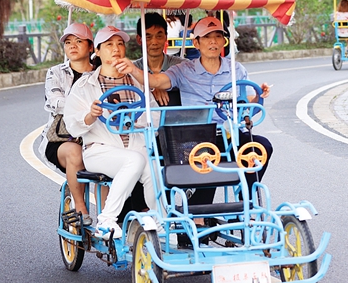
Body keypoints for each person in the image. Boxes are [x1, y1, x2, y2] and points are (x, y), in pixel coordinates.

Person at [116, 16, 274, 200]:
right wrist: (133, 69)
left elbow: (242, 102)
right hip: (197, 137)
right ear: (196, 43)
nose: (213, 41)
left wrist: (258, 96)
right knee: (207, 159)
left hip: (229, 134)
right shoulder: (184, 69)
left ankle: (246, 201)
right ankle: (198, 213)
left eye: (218, 36)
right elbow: (156, 80)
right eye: (207, 37)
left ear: (224, 41)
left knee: (262, 146)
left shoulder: (236, 69)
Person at [64, 26, 160, 239]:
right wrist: (90, 115)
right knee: (134, 161)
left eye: (120, 44)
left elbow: (154, 117)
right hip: (100, 149)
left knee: (154, 166)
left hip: (134, 145)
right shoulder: (84, 86)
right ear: (97, 51)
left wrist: (135, 118)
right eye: (109, 45)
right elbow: (72, 124)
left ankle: (159, 220)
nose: (116, 49)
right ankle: (107, 219)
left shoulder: (136, 82)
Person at [43, 22, 96, 223]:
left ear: (91, 46)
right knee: (75, 152)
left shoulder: (100, 72)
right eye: (68, 42)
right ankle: (80, 208)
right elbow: (55, 101)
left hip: (97, 135)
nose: (72, 46)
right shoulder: (56, 73)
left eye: (79, 41)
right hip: (63, 139)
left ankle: (112, 219)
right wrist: (86, 111)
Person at [134, 12, 185, 106]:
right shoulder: (134, 69)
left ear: (166, 37)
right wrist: (152, 87)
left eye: (159, 36)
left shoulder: (181, 65)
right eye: (148, 37)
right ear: (139, 39)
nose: (154, 42)